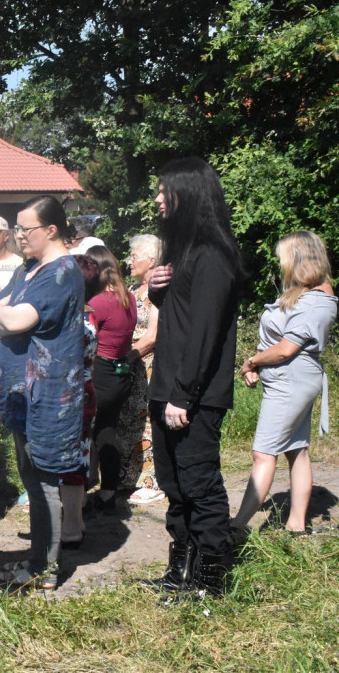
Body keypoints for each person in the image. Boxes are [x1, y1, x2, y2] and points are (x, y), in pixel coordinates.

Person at [142, 157, 242, 598]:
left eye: (166, 190)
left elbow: (204, 332)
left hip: (193, 396)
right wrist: (156, 290)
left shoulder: (213, 254)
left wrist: (183, 395)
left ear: (189, 194)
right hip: (167, 389)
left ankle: (209, 581)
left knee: (200, 484)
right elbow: (179, 318)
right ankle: (179, 572)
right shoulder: (183, 252)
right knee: (174, 485)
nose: (159, 198)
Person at [0, 195, 85, 590]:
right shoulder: (31, 269)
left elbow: (10, 316)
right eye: (16, 227)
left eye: (24, 228)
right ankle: (36, 560)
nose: (18, 236)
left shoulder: (62, 271)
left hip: (48, 393)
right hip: (22, 391)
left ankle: (45, 568)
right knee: (31, 475)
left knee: (45, 476)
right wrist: (3, 312)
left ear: (50, 230)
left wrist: (1, 311)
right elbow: (2, 310)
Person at [233, 231, 337, 534]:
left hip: (291, 382)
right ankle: (295, 526)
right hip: (287, 379)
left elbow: (286, 349)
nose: (281, 263)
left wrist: (253, 361)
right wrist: (258, 362)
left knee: (263, 453)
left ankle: (237, 526)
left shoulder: (318, 301)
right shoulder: (304, 293)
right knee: (296, 450)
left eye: (285, 257)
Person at [85, 245, 137, 513]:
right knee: (107, 431)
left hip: (100, 372)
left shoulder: (97, 303)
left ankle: (79, 492)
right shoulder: (128, 298)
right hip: (120, 372)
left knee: (85, 433)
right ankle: (108, 493)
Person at [119, 234, 166, 505]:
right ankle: (129, 476)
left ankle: (152, 481)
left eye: (134, 256)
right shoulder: (133, 291)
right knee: (128, 422)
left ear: (152, 259)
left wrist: (129, 356)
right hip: (131, 364)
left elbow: (153, 335)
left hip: (148, 366)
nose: (129, 261)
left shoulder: (157, 292)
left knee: (147, 421)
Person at [61, 254, 100, 550]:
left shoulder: (74, 319)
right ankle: (78, 519)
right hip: (85, 389)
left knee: (70, 462)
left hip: (70, 393)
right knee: (80, 456)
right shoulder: (89, 314)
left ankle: (71, 527)